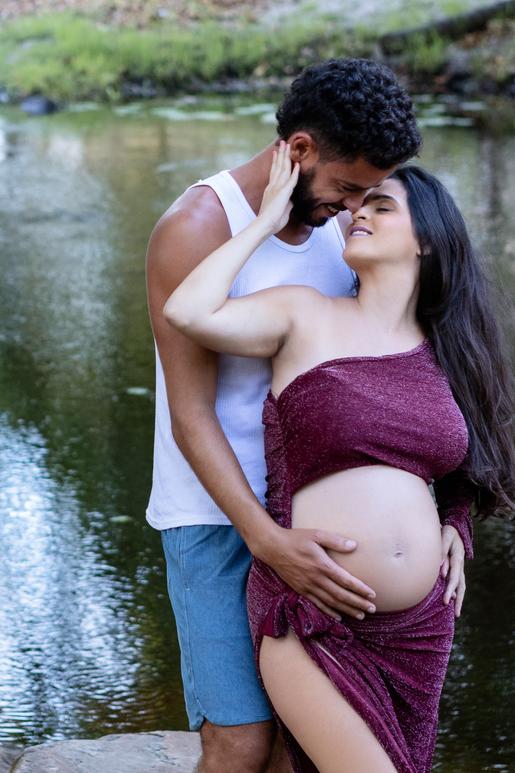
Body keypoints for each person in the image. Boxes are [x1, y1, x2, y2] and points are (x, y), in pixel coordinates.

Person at [162, 144, 515, 773]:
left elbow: (472, 460)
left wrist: (455, 524)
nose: (358, 213)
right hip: (313, 613)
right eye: (358, 202)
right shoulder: (303, 313)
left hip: (418, 631)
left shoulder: (446, 350)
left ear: (429, 243)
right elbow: (187, 311)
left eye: (381, 207)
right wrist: (263, 220)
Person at [144, 59, 423, 773]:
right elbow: (190, 417)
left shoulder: (343, 231)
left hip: (307, 520)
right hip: (216, 521)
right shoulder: (198, 226)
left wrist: (447, 518)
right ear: (298, 151)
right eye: (348, 186)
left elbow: (395, 373)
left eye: (371, 193)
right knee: (240, 744)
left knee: (302, 749)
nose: (358, 206)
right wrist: (267, 542)